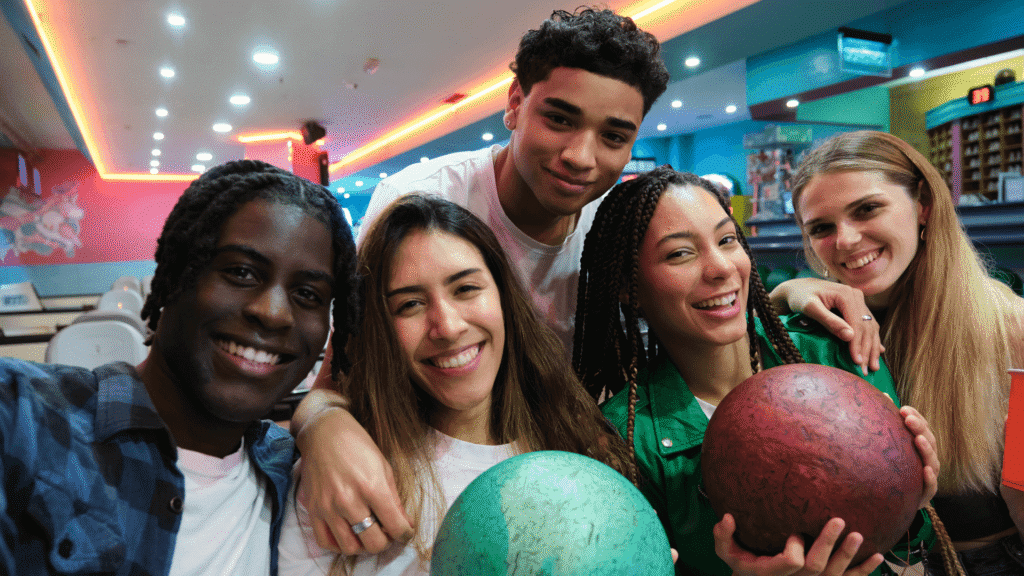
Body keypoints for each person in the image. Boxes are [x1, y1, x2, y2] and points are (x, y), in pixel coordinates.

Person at [290, 6, 671, 555]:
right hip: (414, 480)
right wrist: (321, 427)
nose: (580, 157)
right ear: (514, 103)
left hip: (549, 491)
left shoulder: (610, 229)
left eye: (613, 136)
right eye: (559, 119)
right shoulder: (422, 201)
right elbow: (342, 374)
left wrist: (791, 293)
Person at [572, 166, 938, 576]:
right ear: (628, 287)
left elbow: (913, 546)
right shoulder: (624, 440)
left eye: (727, 240)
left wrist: (911, 499)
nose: (721, 268)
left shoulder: (834, 349)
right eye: (679, 253)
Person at [0, 159, 359, 576]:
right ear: (173, 277)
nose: (274, 313)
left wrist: (324, 421)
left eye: (308, 294)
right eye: (241, 272)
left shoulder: (292, 474)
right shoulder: (22, 417)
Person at [278, 194, 635, 575]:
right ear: (379, 328)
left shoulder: (577, 441)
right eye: (410, 304)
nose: (447, 327)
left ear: (504, 296)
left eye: (465, 289)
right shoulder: (342, 479)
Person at [769, 131, 1024, 576]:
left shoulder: (1011, 329)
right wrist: (786, 292)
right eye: (821, 228)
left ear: (922, 204)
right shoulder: (820, 332)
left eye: (867, 209)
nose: (845, 240)